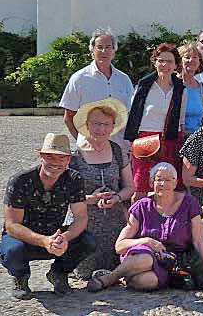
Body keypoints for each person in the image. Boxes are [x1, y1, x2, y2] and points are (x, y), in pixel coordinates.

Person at [87, 162, 203, 291]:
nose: (163, 183)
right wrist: (146, 241)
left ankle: (123, 275)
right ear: (151, 183)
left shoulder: (189, 203)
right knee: (146, 258)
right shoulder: (142, 206)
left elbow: (199, 241)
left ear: (175, 183)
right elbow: (119, 246)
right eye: (158, 179)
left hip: (171, 261)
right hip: (141, 254)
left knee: (149, 281)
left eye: (168, 180)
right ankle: (109, 278)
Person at [0, 133, 96, 299]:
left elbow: (81, 217)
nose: (55, 163)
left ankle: (59, 273)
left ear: (68, 160)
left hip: (55, 235)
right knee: (11, 250)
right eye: (50, 157)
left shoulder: (73, 179)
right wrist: (43, 241)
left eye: (61, 158)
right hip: (24, 237)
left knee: (88, 242)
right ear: (41, 157)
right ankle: (20, 276)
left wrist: (65, 237)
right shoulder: (20, 181)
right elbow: (12, 225)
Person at [69, 99, 134, 279]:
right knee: (86, 273)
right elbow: (68, 195)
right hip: (86, 220)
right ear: (87, 125)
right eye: (96, 124)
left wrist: (117, 198)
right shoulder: (75, 155)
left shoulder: (117, 151)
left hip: (116, 220)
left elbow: (130, 187)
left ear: (113, 127)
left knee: (118, 269)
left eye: (106, 124)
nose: (101, 129)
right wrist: (91, 198)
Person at [125, 43, 187, 201]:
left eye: (169, 61)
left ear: (175, 65)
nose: (165, 65)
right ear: (155, 62)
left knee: (169, 187)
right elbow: (133, 116)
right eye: (161, 60)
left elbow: (180, 120)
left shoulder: (181, 89)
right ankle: (136, 223)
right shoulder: (143, 86)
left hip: (170, 140)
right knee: (140, 188)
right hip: (145, 141)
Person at [59, 27, 134, 151]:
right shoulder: (79, 78)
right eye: (99, 47)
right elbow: (69, 117)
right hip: (89, 149)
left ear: (114, 51)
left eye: (108, 47)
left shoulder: (124, 79)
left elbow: (130, 114)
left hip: (120, 148)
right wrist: (83, 141)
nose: (104, 51)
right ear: (92, 50)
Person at [178, 41, 203, 137]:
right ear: (180, 61)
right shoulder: (174, 84)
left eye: (195, 57)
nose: (191, 60)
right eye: (187, 57)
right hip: (178, 139)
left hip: (198, 139)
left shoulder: (202, 88)